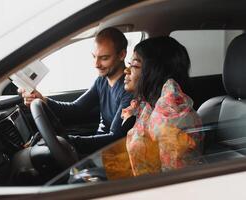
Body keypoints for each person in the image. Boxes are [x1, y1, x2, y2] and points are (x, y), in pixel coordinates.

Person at [19, 27, 133, 154]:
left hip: (113, 153)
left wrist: (67, 142)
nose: (96, 64)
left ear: (122, 55)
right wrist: (43, 100)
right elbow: (76, 109)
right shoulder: (101, 81)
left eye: (104, 58)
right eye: (94, 56)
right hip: (99, 146)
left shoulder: (129, 89)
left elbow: (115, 138)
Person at [121, 36, 203, 176]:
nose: (126, 71)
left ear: (154, 71)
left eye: (134, 65)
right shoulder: (149, 105)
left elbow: (174, 181)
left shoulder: (172, 116)